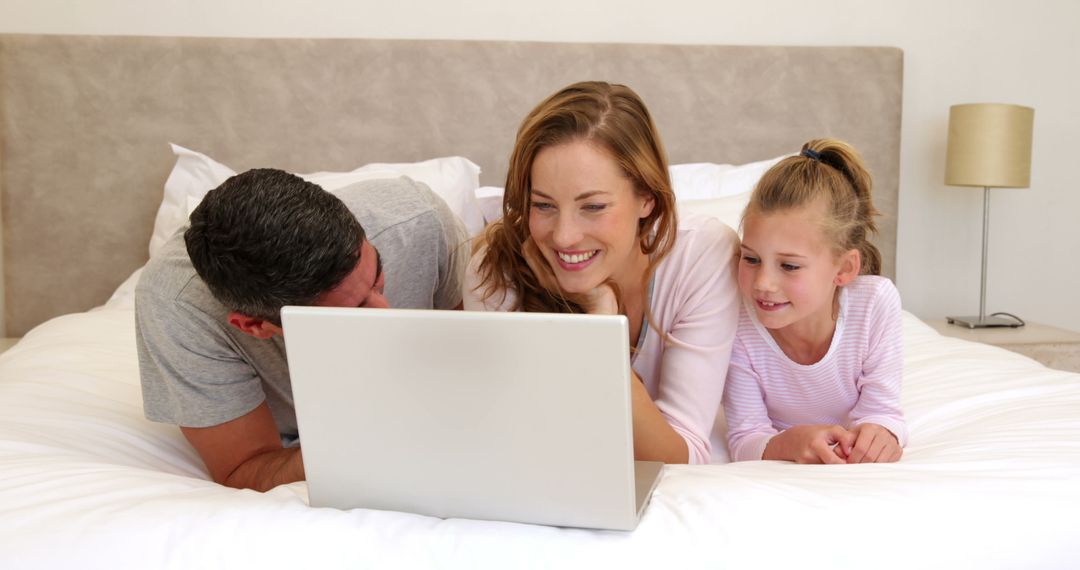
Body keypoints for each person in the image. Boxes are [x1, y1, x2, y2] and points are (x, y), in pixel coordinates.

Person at [136, 168, 469, 491]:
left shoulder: (420, 221)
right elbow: (245, 468)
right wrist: (370, 444)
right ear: (255, 326)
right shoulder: (178, 310)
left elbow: (469, 359)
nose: (386, 314)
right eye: (351, 313)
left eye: (377, 273)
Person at [463, 81, 740, 464]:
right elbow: (509, 442)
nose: (563, 236)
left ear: (647, 198)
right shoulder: (494, 271)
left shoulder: (703, 255)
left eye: (592, 207)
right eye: (543, 206)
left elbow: (682, 458)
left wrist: (600, 324)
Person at [723, 138, 906, 464]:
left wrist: (882, 433)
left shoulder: (875, 304)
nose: (763, 284)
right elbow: (745, 436)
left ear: (844, 268)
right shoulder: (734, 319)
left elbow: (882, 412)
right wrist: (788, 444)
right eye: (751, 259)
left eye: (789, 266)